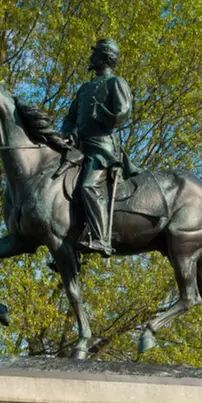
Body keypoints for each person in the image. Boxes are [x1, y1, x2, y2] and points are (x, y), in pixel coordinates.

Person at [59, 38, 132, 256]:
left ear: (104, 58)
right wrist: (70, 130)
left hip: (101, 149)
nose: (90, 58)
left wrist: (104, 115)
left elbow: (124, 112)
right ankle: (71, 243)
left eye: (94, 54)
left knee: (88, 186)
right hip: (79, 148)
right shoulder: (84, 88)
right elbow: (69, 118)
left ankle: (101, 238)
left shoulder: (116, 82)